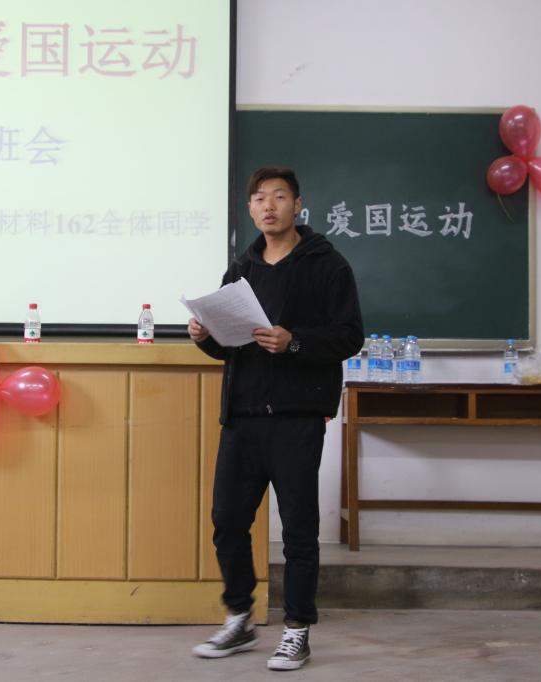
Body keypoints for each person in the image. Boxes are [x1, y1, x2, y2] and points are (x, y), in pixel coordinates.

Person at [189, 166, 364, 671]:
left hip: (296, 416)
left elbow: (350, 336)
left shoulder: (327, 265)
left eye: (280, 196)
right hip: (242, 415)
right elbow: (230, 349)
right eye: (260, 198)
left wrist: (295, 342)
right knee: (227, 521)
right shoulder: (241, 270)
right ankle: (239, 618)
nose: (269, 206)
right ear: (250, 209)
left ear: (298, 205)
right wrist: (206, 338)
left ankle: (297, 630)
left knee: (299, 529)